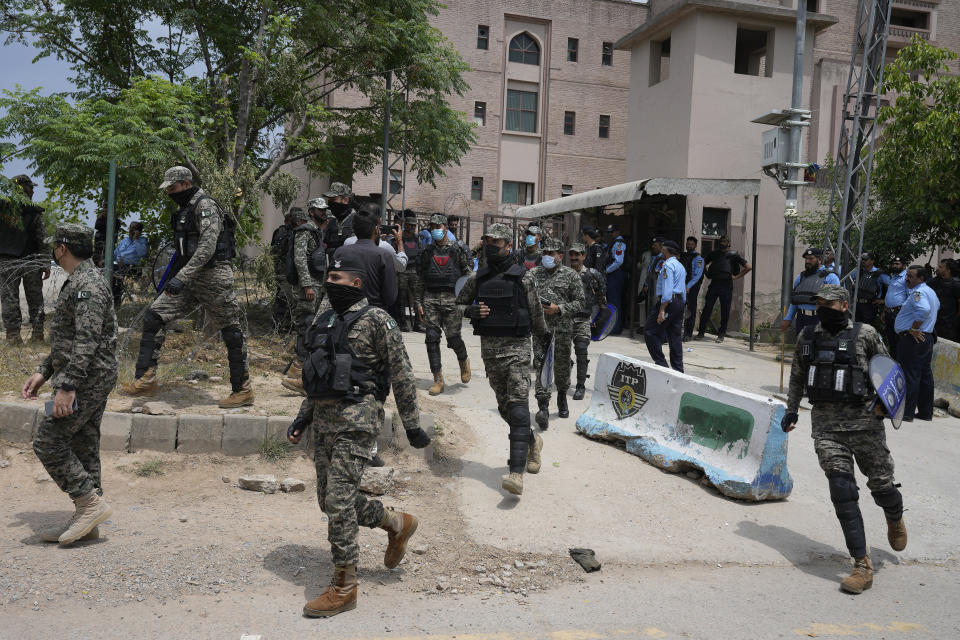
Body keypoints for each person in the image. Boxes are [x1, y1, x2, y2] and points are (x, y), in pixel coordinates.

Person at [286, 252, 430, 618]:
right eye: (328, 277)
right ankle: (396, 522)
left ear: (357, 283)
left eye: (337, 278)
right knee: (330, 501)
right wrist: (302, 418)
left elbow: (402, 374)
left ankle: (345, 586)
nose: (329, 283)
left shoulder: (379, 320)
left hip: (358, 421)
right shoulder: (326, 318)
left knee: (337, 501)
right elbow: (316, 375)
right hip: (324, 420)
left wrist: (412, 425)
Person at [782, 284, 907, 595]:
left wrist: (884, 405)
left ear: (843, 305)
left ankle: (894, 517)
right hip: (826, 426)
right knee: (842, 490)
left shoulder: (865, 333)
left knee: (882, 486)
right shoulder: (808, 336)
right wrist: (792, 410)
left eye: (827, 303)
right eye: (818, 303)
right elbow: (798, 375)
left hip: (865, 425)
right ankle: (862, 564)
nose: (821, 308)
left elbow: (890, 371)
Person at [121, 166, 253, 408]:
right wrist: (174, 277)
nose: (169, 192)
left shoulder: (205, 206)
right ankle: (146, 378)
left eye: (172, 187)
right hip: (188, 277)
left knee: (230, 332)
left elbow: (207, 246)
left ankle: (242, 391)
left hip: (213, 277)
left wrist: (182, 277)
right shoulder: (184, 209)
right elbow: (182, 251)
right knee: (154, 316)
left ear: (185, 184)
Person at [22, 223, 117, 545]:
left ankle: (89, 504)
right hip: (85, 375)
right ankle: (88, 521)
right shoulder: (79, 281)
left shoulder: (86, 285)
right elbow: (69, 340)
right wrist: (43, 371)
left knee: (48, 440)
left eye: (54, 246)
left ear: (62, 248)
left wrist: (67, 386)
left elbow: (86, 342)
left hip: (85, 379)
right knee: (83, 445)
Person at [456, 223, 548, 496]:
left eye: (497, 242)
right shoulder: (478, 278)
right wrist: (471, 310)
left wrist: (543, 347)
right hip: (491, 354)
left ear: (509, 246)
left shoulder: (524, 278)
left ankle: (515, 474)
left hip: (518, 350)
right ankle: (533, 442)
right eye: (488, 241)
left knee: (519, 409)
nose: (491, 246)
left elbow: (536, 315)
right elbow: (457, 306)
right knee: (505, 409)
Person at [531, 238, 585, 428]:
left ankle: (562, 396)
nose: (546, 256)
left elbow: (580, 302)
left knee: (561, 366)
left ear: (560, 257)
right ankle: (543, 407)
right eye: (544, 253)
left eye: (551, 253)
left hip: (562, 329)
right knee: (541, 364)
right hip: (540, 329)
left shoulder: (571, 275)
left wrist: (559, 308)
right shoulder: (533, 274)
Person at [416, 213, 472, 395]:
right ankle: (438, 379)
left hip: (452, 299)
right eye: (432, 227)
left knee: (453, 337)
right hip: (431, 297)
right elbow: (421, 277)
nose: (435, 230)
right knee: (431, 338)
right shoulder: (427, 251)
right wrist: (418, 301)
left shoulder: (457, 249)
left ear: (446, 228)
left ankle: (463, 360)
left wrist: (465, 301)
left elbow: (467, 275)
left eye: (438, 227)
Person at [281, 203, 328, 394]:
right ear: (311, 212)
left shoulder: (316, 231)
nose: (324, 212)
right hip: (308, 287)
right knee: (306, 324)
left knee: (313, 326)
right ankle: (298, 368)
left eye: (325, 210)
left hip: (317, 284)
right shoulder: (305, 231)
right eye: (320, 210)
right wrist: (307, 285)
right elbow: (300, 259)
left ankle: (301, 367)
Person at [0, 174, 48, 344]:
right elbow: (42, 238)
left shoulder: (3, 207)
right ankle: (36, 334)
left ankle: (14, 336)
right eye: (30, 187)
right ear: (21, 188)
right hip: (29, 260)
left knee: (9, 298)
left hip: (8, 261)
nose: (33, 190)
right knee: (33, 297)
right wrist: (44, 263)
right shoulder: (33, 211)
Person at [333, 205, 399, 311]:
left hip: (345, 314)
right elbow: (390, 297)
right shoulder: (383, 255)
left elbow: (333, 286)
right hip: (373, 314)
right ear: (376, 230)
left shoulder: (340, 252)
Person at [895, 265, 939, 422]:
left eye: (911, 276)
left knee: (910, 374)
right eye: (907, 275)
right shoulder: (931, 292)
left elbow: (924, 311)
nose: (907, 278)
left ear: (921, 278)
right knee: (925, 375)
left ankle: (906, 412)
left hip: (914, 338)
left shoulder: (919, 293)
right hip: (926, 337)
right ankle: (925, 412)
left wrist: (914, 327)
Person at [568, 242, 606, 400]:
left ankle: (580, 386)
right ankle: (566, 368)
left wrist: (598, 320)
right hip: (566, 319)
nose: (574, 258)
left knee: (581, 350)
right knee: (561, 353)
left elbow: (601, 299)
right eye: (572, 254)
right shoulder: (564, 274)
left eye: (578, 254)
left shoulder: (592, 275)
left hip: (583, 319)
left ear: (584, 256)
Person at [696, 235, 751, 342]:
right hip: (714, 284)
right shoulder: (714, 254)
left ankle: (721, 334)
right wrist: (707, 274)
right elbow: (702, 263)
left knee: (725, 311)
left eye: (724, 241)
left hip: (726, 285)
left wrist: (736, 277)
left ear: (728, 243)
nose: (722, 243)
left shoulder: (734, 255)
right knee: (707, 308)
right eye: (721, 241)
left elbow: (748, 267)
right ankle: (701, 332)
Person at [644, 240, 686, 372]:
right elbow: (683, 289)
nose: (661, 251)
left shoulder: (667, 265)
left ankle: (662, 365)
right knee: (674, 336)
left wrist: (662, 310)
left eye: (662, 249)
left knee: (650, 332)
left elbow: (667, 290)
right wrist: (681, 304)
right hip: (679, 302)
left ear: (666, 251)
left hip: (668, 302)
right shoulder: (680, 266)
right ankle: (678, 370)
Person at [779, 248, 840, 336]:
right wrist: (788, 318)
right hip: (801, 319)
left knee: (819, 347)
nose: (807, 261)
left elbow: (835, 303)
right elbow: (795, 301)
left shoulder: (830, 277)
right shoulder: (801, 277)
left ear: (819, 260)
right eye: (806, 259)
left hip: (820, 319)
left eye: (811, 259)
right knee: (802, 347)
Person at [397, 210, 423, 332]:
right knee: (401, 297)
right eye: (410, 225)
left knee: (418, 297)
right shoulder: (399, 238)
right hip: (402, 271)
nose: (412, 227)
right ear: (405, 225)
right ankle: (402, 323)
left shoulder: (417, 238)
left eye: (414, 225)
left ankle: (418, 323)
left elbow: (420, 253)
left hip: (414, 271)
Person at [270, 211, 296, 333]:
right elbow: (276, 252)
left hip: (284, 269)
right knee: (284, 297)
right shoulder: (284, 232)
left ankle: (284, 323)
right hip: (284, 270)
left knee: (285, 296)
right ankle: (279, 324)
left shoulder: (283, 231)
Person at [111, 221, 148, 305]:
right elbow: (115, 253)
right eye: (131, 228)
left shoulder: (142, 241)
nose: (131, 230)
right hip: (117, 264)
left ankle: (116, 303)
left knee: (116, 277)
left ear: (140, 231)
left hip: (130, 266)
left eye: (134, 229)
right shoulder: (125, 240)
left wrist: (135, 239)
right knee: (104, 271)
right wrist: (106, 260)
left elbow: (142, 253)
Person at [847, 252, 888, 327]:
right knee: (855, 327)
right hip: (857, 305)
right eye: (862, 259)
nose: (863, 261)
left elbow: (892, 288)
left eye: (866, 259)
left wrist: (884, 301)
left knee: (867, 328)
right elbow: (846, 278)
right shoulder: (858, 271)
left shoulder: (879, 274)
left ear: (872, 261)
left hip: (870, 306)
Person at [602, 224, 627, 335]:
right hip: (614, 274)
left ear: (618, 232)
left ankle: (615, 328)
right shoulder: (613, 243)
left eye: (612, 232)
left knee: (614, 301)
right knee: (612, 300)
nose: (610, 234)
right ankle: (613, 326)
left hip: (616, 274)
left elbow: (618, 261)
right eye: (609, 232)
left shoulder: (619, 244)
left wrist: (606, 271)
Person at [679, 236, 705, 341]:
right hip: (681, 286)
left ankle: (688, 334)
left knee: (690, 310)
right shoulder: (683, 256)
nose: (689, 246)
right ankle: (677, 331)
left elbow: (697, 275)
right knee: (679, 309)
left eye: (691, 244)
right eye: (688, 244)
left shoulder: (698, 258)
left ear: (695, 246)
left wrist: (688, 286)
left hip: (692, 287)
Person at [882, 256, 909, 356]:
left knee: (899, 341)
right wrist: (884, 311)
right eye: (893, 264)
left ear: (904, 265)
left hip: (899, 312)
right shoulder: (893, 276)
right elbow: (889, 295)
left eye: (897, 264)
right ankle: (893, 364)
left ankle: (900, 365)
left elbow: (909, 297)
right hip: (889, 312)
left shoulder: (906, 277)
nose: (894, 266)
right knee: (891, 341)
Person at [929, 258, 960, 342]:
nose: (937, 268)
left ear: (948, 270)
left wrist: (955, 320)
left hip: (949, 326)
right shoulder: (933, 282)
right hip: (934, 323)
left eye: (940, 267)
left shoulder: (956, 284)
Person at [322, 182, 356, 254]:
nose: (330, 203)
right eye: (329, 200)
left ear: (345, 200)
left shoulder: (357, 221)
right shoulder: (330, 220)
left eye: (333, 199)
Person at [639, 237, 663, 325]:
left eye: (655, 245)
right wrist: (645, 284)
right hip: (651, 288)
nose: (653, 247)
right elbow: (649, 273)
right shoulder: (655, 258)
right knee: (650, 308)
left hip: (658, 288)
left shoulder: (663, 259)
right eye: (652, 245)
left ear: (661, 246)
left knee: (657, 308)